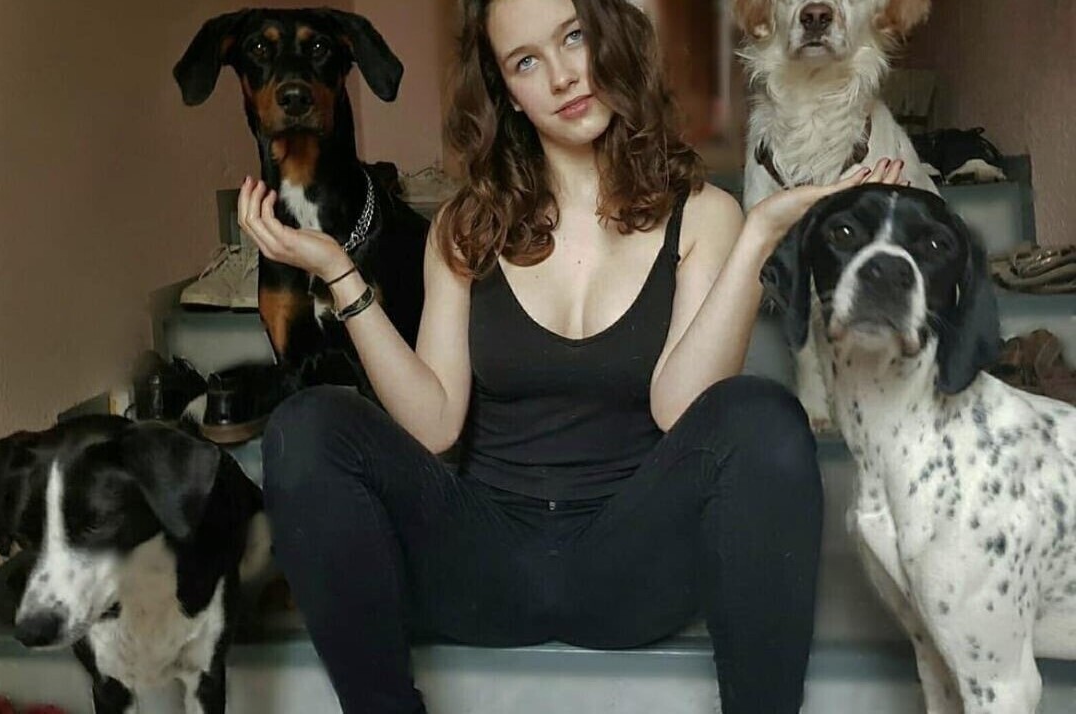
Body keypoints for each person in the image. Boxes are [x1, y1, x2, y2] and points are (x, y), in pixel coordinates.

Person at [237, 0, 907, 711]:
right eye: (526, 61)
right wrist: (339, 271)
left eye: (574, 38)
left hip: (633, 566)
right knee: (307, 424)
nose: (561, 76)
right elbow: (432, 425)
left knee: (764, 414)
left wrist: (758, 238)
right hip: (480, 565)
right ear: (506, 92)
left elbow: (682, 408)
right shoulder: (464, 225)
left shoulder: (704, 214)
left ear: (610, 39)